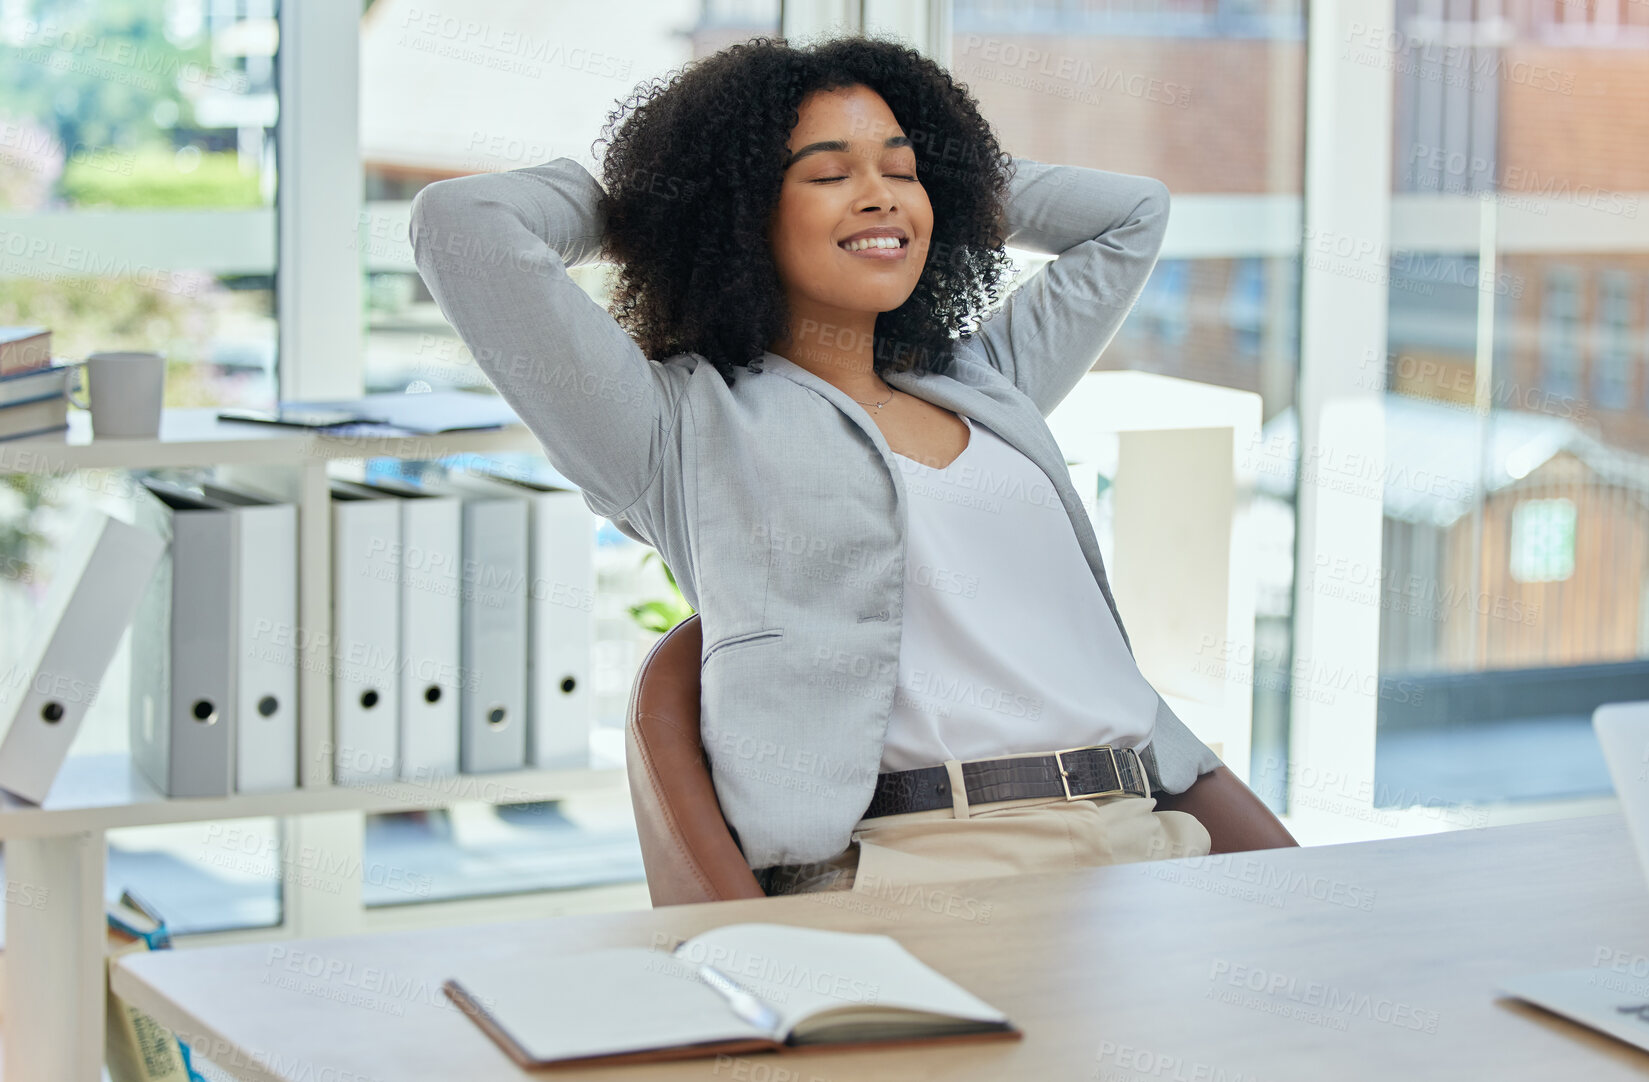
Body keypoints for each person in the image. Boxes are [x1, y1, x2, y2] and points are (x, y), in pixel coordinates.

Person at [407, 33, 1296, 898]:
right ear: (741, 211)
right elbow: (463, 225)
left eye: (903, 174)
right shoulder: (672, 428)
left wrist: (943, 174)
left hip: (1143, 840)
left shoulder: (984, 384)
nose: (880, 199)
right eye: (829, 175)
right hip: (921, 870)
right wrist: (660, 201)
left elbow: (1129, 213)